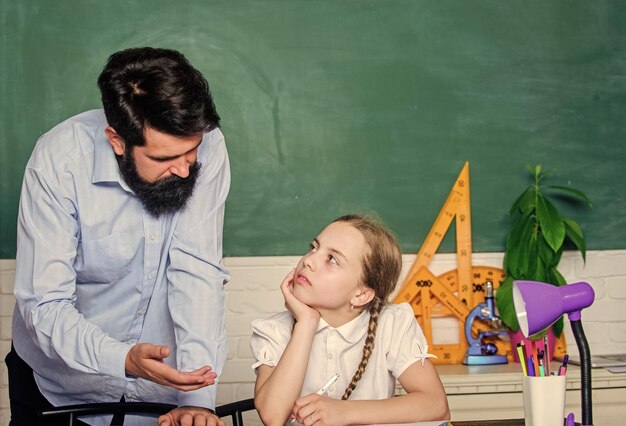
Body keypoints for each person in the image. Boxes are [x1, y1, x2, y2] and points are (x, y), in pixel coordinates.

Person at [7, 47, 230, 426]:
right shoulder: (57, 161)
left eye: (190, 152)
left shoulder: (208, 146)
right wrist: (122, 359)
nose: (182, 169)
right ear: (117, 140)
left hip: (161, 392)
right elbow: (44, 305)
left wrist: (197, 396)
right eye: (163, 159)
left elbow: (199, 275)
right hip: (58, 386)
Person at [251, 214, 451, 425]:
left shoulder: (391, 323)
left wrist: (344, 412)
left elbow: (436, 405)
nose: (308, 260)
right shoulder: (275, 330)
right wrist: (307, 322)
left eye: (332, 259)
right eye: (313, 247)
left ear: (361, 295)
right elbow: (272, 417)